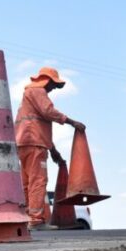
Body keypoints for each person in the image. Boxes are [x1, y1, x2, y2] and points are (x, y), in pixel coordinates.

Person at [15, 67, 85, 230]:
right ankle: (36, 220)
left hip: (23, 143)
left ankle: (28, 218)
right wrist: (71, 121)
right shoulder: (38, 91)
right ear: (47, 80)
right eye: (53, 84)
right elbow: (48, 112)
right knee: (38, 180)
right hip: (34, 143)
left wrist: (53, 151)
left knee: (27, 182)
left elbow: (39, 126)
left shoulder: (28, 95)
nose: (53, 88)